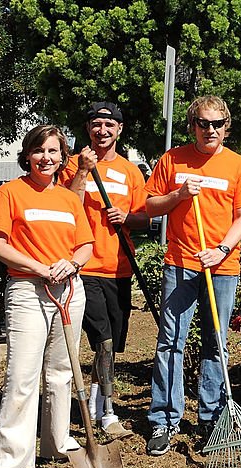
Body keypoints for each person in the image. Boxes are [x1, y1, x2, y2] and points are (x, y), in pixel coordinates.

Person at [0, 125, 94, 468]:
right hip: (29, 291)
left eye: (55, 151)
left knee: (61, 374)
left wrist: (71, 264)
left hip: (69, 290)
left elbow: (86, 245)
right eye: (40, 150)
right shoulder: (10, 192)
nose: (47, 157)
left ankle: (57, 443)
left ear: (63, 157)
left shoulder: (70, 199)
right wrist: (39, 267)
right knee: (22, 377)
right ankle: (7, 465)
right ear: (27, 154)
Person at [143, 95, 241, 456]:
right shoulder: (172, 160)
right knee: (170, 341)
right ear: (192, 125)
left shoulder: (239, 166)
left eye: (217, 123)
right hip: (180, 262)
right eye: (203, 123)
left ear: (227, 127)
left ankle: (211, 418)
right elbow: (149, 205)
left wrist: (221, 249)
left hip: (222, 265)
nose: (211, 130)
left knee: (216, 343)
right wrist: (178, 194)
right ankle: (164, 419)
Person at [60, 102, 147, 439]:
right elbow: (66, 205)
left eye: (109, 125)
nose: (103, 131)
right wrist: (82, 170)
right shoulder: (71, 165)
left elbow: (145, 217)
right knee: (104, 341)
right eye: (96, 124)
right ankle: (107, 413)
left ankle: (98, 406)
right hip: (85, 265)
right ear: (87, 129)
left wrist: (127, 218)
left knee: (110, 344)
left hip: (120, 267)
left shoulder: (130, 172)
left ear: (119, 130)